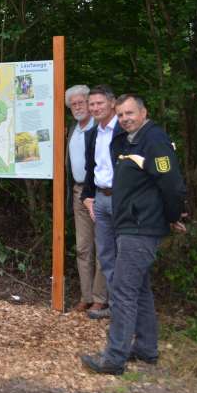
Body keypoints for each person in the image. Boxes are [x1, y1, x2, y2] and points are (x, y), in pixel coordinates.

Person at [81, 94, 186, 374]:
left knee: (123, 291)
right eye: (122, 115)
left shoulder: (155, 140)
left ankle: (114, 358)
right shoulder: (130, 140)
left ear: (144, 112)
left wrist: (173, 215)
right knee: (139, 291)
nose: (125, 119)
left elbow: (172, 184)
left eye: (130, 113)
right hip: (129, 224)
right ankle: (146, 349)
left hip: (141, 227)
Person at [80, 84, 123, 320]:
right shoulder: (94, 133)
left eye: (99, 103)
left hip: (122, 200)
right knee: (106, 255)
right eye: (92, 104)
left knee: (125, 254)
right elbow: (91, 169)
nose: (95, 108)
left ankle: (125, 308)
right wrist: (88, 197)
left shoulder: (124, 131)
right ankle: (115, 306)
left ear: (112, 103)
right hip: (100, 199)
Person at [65, 85, 107, 313]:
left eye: (82, 102)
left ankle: (100, 297)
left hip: (100, 192)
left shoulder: (99, 128)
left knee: (102, 246)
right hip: (79, 192)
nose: (78, 107)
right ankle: (86, 295)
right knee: (82, 247)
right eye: (73, 104)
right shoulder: (73, 130)